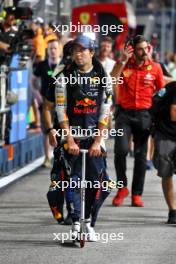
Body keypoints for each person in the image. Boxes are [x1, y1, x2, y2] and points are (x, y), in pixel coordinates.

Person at [54, 35, 112, 241]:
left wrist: (98, 140)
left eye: (82, 50)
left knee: (103, 185)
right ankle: (76, 223)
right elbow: (61, 111)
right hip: (72, 138)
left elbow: (106, 111)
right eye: (74, 51)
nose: (77, 54)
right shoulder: (63, 77)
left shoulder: (103, 77)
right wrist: (68, 140)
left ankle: (89, 222)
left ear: (91, 52)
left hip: (95, 138)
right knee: (73, 182)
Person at [111, 35, 164, 207]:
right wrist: (122, 60)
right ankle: (122, 188)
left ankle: (136, 194)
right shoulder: (124, 65)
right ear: (133, 50)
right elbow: (112, 79)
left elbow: (161, 92)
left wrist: (158, 116)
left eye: (145, 48)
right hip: (124, 115)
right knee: (121, 150)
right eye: (139, 49)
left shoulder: (155, 68)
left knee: (141, 156)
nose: (144, 52)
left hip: (145, 116)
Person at [30, 39, 62, 168]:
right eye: (50, 48)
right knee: (47, 130)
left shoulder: (66, 65)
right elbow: (32, 81)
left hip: (62, 103)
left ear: (59, 50)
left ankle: (61, 156)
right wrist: (37, 95)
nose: (53, 51)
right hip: (46, 102)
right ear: (47, 50)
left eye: (55, 48)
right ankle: (47, 157)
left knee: (62, 129)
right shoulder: (42, 65)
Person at [153, 81, 176, 224]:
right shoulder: (171, 88)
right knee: (166, 173)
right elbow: (174, 112)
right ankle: (172, 210)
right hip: (166, 134)